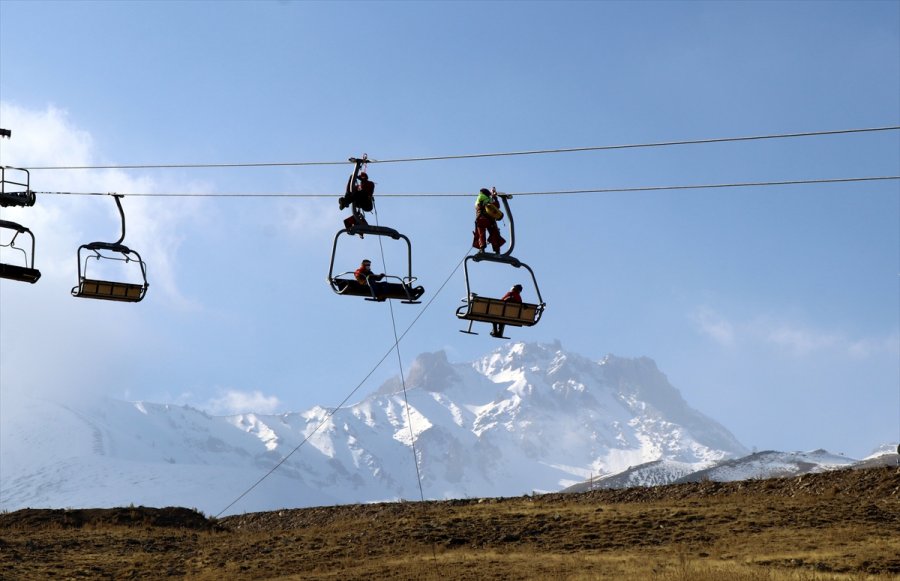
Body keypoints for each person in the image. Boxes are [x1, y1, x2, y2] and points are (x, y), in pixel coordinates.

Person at [340, 170, 376, 235]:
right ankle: (345, 201)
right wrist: (351, 179)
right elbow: (349, 190)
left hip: (367, 204)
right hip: (359, 202)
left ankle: (346, 202)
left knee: (360, 193)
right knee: (351, 193)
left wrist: (362, 180)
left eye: (363, 177)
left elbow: (366, 188)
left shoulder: (370, 184)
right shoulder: (358, 187)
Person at [472, 187, 506, 253]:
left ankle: (482, 249)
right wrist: (495, 197)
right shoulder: (488, 199)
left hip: (481, 218)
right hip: (490, 219)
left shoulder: (478, 200)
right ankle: (497, 250)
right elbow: (497, 206)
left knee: (481, 234)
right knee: (494, 233)